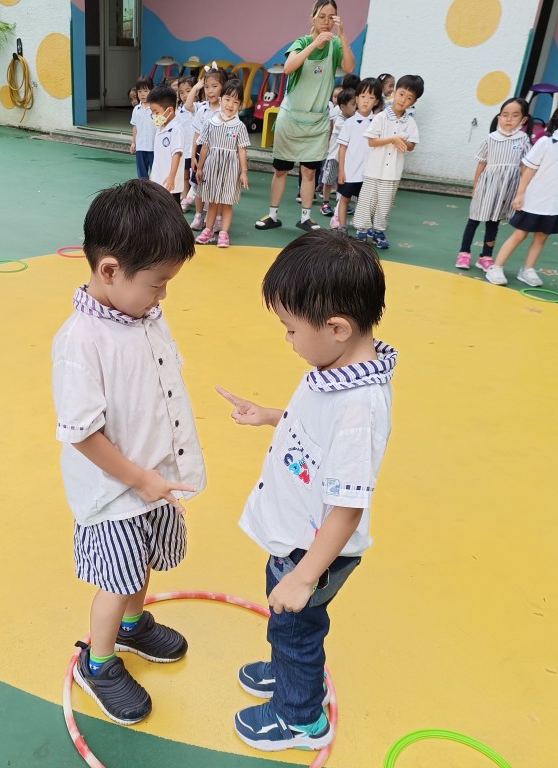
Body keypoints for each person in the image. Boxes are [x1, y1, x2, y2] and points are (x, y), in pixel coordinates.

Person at [217, 230, 397, 752]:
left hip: (312, 550)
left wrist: (303, 577)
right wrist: (271, 416)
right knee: (287, 624)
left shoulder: (358, 408)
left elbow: (347, 507)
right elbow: (316, 432)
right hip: (297, 539)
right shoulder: (336, 369)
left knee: (297, 628)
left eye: (291, 329)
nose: (288, 340)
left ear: (337, 328)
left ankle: (300, 718)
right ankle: (288, 671)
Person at [53, 179, 207, 725]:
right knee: (115, 580)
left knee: (141, 562)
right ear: (110, 270)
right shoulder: (81, 341)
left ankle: (133, 627)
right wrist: (138, 478)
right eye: (157, 284)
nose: (162, 296)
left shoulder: (142, 314)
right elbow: (81, 432)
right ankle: (97, 662)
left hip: (152, 477)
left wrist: (157, 472)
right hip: (115, 490)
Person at [255, 1, 355, 233]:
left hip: (317, 121)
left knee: (309, 171)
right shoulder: (301, 42)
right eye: (322, 16)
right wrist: (314, 44)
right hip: (291, 119)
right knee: (281, 169)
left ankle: (306, 218)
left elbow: (349, 67)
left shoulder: (336, 45)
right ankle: (272, 215)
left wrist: (343, 35)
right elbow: (289, 67)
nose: (326, 22)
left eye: (331, 17)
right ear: (312, 18)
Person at [486, 93, 558, 287]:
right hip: (534, 200)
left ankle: (527, 269)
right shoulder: (546, 143)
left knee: (541, 237)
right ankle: (496, 267)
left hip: (557, 204)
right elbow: (528, 170)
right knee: (520, 234)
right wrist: (520, 194)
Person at [456, 98, 531, 271]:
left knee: (494, 222)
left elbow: (525, 167)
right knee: (474, 219)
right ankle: (464, 253)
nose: (509, 119)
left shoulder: (523, 140)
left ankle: (486, 256)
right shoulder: (491, 139)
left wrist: (522, 191)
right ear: (499, 117)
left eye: (515, 115)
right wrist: (476, 187)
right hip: (487, 186)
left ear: (523, 119)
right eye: (505, 115)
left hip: (507, 189)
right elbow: (481, 164)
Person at [352, 74, 424, 249]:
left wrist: (403, 143)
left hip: (392, 173)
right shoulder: (381, 117)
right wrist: (392, 139)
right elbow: (371, 141)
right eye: (401, 94)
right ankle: (362, 231)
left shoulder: (410, 122)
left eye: (409, 98)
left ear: (414, 102)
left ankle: (378, 231)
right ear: (394, 92)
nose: (403, 100)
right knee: (367, 201)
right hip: (373, 170)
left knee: (385, 204)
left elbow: (412, 145)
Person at [195, 80, 251, 248]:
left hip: (230, 169)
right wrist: (200, 167)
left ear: (240, 105)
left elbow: (242, 150)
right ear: (220, 99)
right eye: (227, 99)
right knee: (212, 201)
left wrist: (244, 172)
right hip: (212, 167)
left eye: (235, 102)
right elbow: (205, 147)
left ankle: (224, 233)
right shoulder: (210, 123)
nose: (230, 105)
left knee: (227, 202)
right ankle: (208, 230)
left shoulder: (240, 126)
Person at [334, 77, 381, 230]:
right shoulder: (349, 123)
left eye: (371, 97)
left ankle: (362, 227)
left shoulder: (379, 123)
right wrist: (341, 171)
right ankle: (342, 226)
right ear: (356, 98)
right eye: (363, 96)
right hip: (350, 171)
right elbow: (342, 148)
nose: (366, 101)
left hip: (369, 173)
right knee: (344, 198)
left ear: (376, 101)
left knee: (365, 201)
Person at [185, 67, 228, 231]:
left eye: (214, 86)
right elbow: (196, 133)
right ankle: (198, 217)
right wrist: (193, 156)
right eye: (207, 87)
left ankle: (217, 219)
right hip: (200, 153)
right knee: (199, 188)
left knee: (217, 190)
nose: (210, 91)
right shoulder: (202, 108)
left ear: (224, 87)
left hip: (219, 154)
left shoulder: (226, 109)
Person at [319, 87, 356, 221]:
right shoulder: (341, 121)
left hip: (346, 159)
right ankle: (325, 203)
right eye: (353, 104)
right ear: (343, 107)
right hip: (334, 157)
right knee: (329, 180)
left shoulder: (353, 119)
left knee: (344, 181)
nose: (356, 107)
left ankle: (342, 203)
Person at [147, 85, 186, 203]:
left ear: (170, 110)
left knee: (172, 208)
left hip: (170, 182)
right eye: (152, 112)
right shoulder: (160, 127)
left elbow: (176, 154)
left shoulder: (176, 129)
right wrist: (153, 175)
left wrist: (171, 177)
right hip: (158, 180)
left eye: (156, 112)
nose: (154, 116)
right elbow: (159, 156)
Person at [175, 76, 197, 208]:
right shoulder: (179, 111)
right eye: (181, 92)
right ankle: (184, 198)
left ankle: (198, 201)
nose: (184, 95)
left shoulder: (200, 108)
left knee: (196, 178)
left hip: (195, 151)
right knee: (185, 176)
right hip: (184, 150)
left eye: (188, 91)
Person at [130, 76, 155, 179]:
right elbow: (135, 127)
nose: (142, 94)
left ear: (152, 91)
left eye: (146, 91)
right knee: (142, 175)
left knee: (155, 174)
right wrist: (133, 143)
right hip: (140, 147)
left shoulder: (155, 108)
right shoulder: (136, 109)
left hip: (154, 147)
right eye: (140, 91)